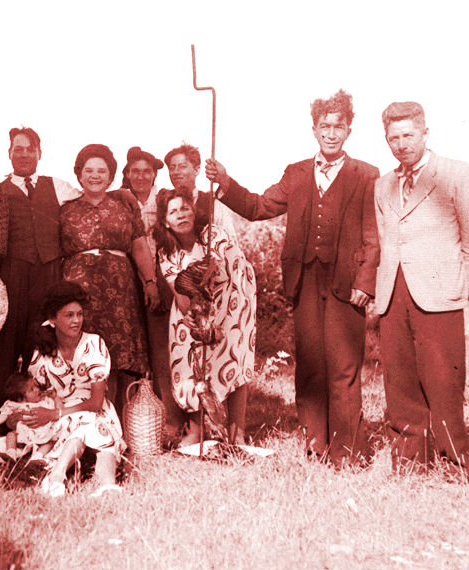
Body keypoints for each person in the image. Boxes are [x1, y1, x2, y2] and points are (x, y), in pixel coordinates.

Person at [205, 89, 380, 468]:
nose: (331, 133)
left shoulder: (366, 175)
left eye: (338, 127)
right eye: (324, 127)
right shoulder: (296, 173)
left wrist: (366, 281)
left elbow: (372, 234)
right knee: (311, 367)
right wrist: (226, 182)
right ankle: (316, 447)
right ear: (314, 129)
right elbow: (257, 207)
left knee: (344, 367)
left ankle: (347, 454)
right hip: (303, 282)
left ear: (349, 130)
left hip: (346, 285)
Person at [373, 101, 469, 482]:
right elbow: (385, 239)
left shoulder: (457, 174)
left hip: (440, 295)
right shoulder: (383, 184)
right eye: (393, 138)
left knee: (443, 381)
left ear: (426, 134)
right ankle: (410, 465)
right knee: (400, 381)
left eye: (408, 135)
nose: (401, 144)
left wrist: (466, 285)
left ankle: (457, 462)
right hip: (393, 294)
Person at [0, 127, 81, 419]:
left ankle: (43, 415)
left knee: (45, 342)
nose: (24, 154)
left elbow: (89, 196)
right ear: (8, 154)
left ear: (39, 154)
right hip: (11, 273)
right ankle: (1, 416)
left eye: (30, 149)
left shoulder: (57, 185)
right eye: (17, 149)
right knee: (5, 343)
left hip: (49, 274)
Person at [59, 144, 160, 413]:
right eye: (88, 170)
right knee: (83, 349)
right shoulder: (65, 209)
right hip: (79, 291)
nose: (95, 175)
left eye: (101, 171)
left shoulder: (125, 205)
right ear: (79, 175)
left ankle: (117, 422)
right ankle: (81, 420)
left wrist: (150, 282)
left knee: (117, 354)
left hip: (119, 291)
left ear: (111, 176)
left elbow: (139, 245)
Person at [153, 185, 256, 449]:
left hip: (233, 305)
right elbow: (180, 290)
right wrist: (192, 318)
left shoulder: (214, 235)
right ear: (165, 220)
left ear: (194, 210)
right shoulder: (167, 252)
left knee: (233, 360)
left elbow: (234, 271)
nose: (181, 215)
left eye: (185, 208)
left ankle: (237, 434)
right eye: (173, 211)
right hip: (193, 311)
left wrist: (218, 319)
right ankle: (196, 430)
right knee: (188, 363)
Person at [21, 281, 126, 498]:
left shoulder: (94, 345)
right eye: (68, 315)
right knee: (89, 425)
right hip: (59, 418)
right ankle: (107, 484)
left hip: (96, 411)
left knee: (90, 420)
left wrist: (55, 413)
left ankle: (57, 477)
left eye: (79, 314)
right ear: (52, 320)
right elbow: (39, 395)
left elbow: (96, 403)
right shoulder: (42, 355)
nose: (77, 320)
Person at [120, 146, 178, 436]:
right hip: (128, 277)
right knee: (132, 346)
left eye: (146, 171)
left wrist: (154, 280)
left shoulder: (164, 199)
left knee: (160, 348)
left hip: (162, 277)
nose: (140, 176)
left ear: (154, 174)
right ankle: (134, 418)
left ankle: (168, 418)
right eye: (135, 171)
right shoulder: (121, 199)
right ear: (127, 174)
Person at [0, 371, 58, 463]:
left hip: (42, 433)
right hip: (23, 434)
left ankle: (37, 458)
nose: (36, 389)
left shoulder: (44, 398)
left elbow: (57, 410)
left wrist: (55, 397)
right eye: (31, 389)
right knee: (11, 435)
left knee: (49, 442)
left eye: (35, 385)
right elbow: (2, 416)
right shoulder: (15, 404)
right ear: (21, 399)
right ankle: (11, 454)